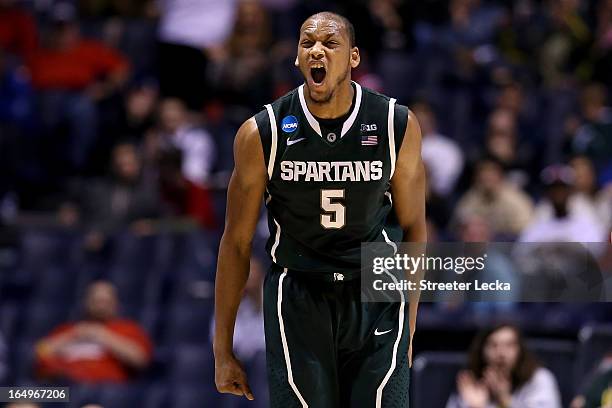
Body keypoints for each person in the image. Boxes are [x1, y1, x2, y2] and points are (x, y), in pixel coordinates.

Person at [214, 12, 426, 407]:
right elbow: (236, 243)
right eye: (307, 43)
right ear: (297, 58)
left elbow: (414, 228)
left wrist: (409, 326)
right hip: (299, 289)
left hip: (375, 288)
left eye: (330, 43)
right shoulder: (263, 132)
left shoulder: (395, 123)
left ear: (354, 57)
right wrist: (222, 350)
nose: (317, 51)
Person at [35, 281, 153, 383]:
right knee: (21, 395)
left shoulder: (128, 329)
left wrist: (103, 336)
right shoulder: (69, 329)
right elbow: (40, 352)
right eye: (96, 301)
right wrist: (73, 335)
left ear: (116, 304)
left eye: (105, 302)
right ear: (86, 302)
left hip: (104, 390)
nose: (101, 306)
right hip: (63, 389)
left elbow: (140, 360)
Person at [446, 324, 562, 408]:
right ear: (482, 350)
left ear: (520, 350)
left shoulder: (539, 379)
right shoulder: (470, 382)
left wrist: (505, 401)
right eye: (493, 345)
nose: (501, 353)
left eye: (509, 345)